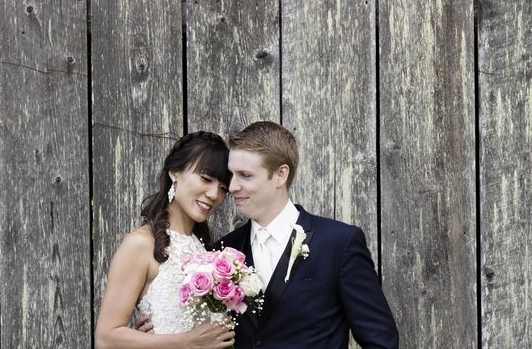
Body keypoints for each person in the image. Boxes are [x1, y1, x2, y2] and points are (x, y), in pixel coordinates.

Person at [139, 121, 399, 348]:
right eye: (232, 175)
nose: (232, 186)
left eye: (245, 175)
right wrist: (158, 337)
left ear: (280, 175)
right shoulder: (220, 253)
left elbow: (381, 340)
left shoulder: (338, 243)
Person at [94, 131, 236, 349]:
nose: (214, 194)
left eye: (223, 188)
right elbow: (106, 338)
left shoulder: (206, 252)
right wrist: (187, 342)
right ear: (174, 172)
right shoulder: (141, 244)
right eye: (206, 179)